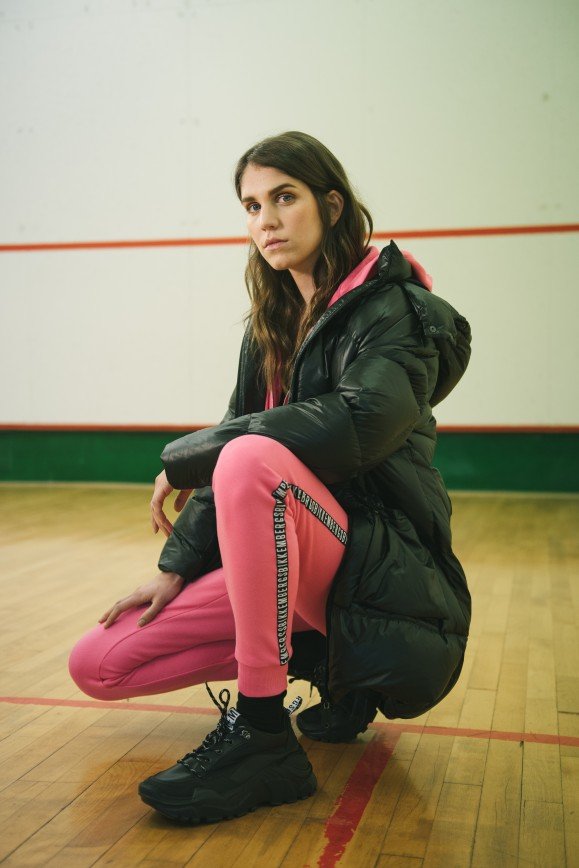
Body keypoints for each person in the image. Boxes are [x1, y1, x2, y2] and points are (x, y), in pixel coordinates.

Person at [69, 130, 472, 825]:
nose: (267, 220)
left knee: (248, 456)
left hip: (381, 569)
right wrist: (175, 567)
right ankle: (324, 664)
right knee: (100, 664)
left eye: (284, 198)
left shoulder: (398, 312)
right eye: (252, 206)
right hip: (297, 562)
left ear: (332, 205)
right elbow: (239, 431)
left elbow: (354, 426)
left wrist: (191, 454)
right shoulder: (272, 323)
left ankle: (260, 730)